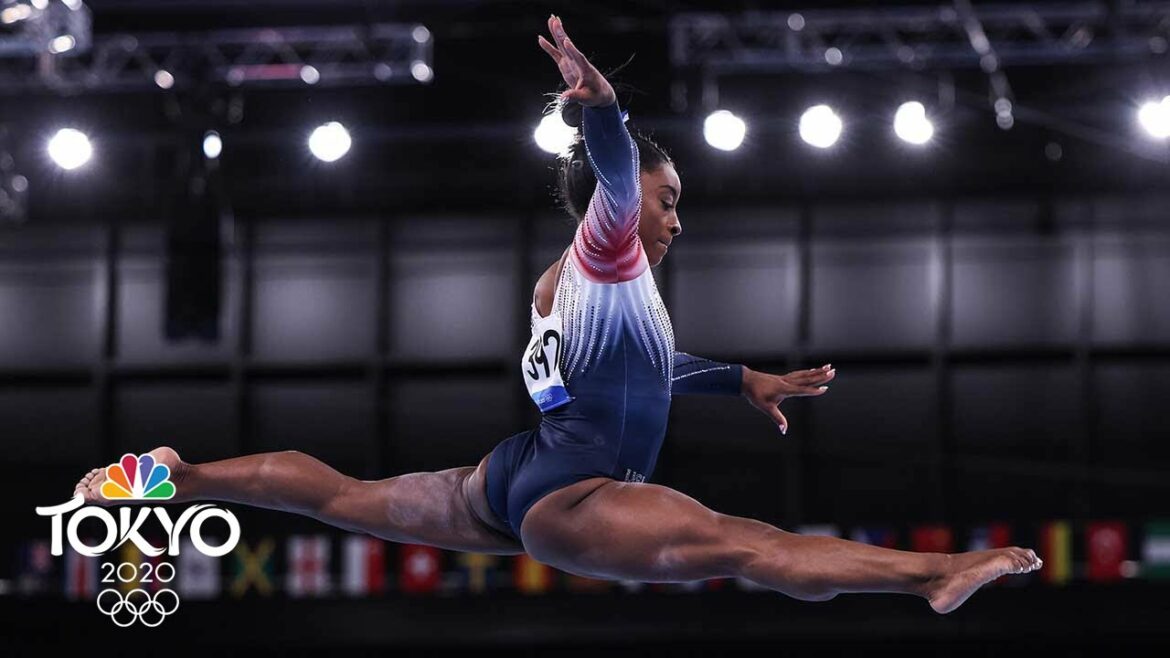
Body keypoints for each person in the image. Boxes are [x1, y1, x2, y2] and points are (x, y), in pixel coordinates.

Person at [74, 15, 1040, 614]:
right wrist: (605, 111)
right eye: (669, 201)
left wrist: (739, 378)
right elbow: (617, 180)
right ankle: (936, 574)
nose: (673, 219)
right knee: (755, 549)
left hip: (518, 475)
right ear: (619, 205)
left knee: (343, 496)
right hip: (572, 496)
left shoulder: (590, 290)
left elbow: (642, 371)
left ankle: (180, 473)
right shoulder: (605, 246)